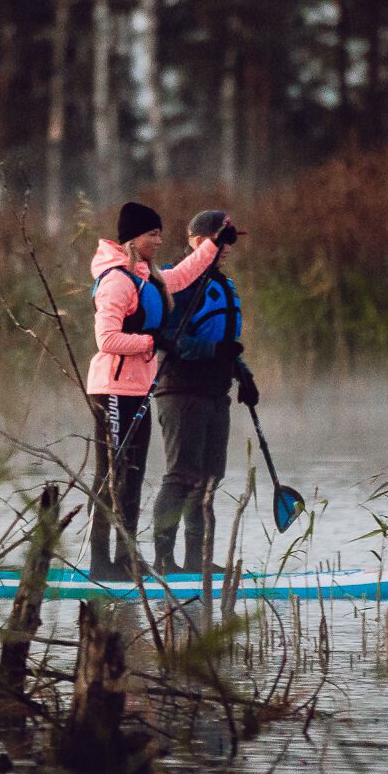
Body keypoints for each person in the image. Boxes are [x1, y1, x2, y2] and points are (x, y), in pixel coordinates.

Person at [86, 200, 236, 579]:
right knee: (112, 477)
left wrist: (214, 244)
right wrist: (153, 343)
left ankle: (126, 558)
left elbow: (186, 273)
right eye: (153, 234)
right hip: (111, 389)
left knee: (132, 475)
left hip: (137, 388)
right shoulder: (117, 281)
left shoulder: (147, 276)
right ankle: (101, 562)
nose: (160, 240)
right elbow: (106, 339)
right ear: (134, 237)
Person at [150, 210, 260, 575]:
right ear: (198, 242)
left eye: (230, 240)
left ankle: (197, 563)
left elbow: (224, 341)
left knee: (209, 480)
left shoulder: (222, 284)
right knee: (181, 477)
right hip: (180, 390)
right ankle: (164, 562)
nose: (228, 247)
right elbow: (170, 338)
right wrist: (214, 353)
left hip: (215, 391)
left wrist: (242, 375)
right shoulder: (177, 282)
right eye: (221, 239)